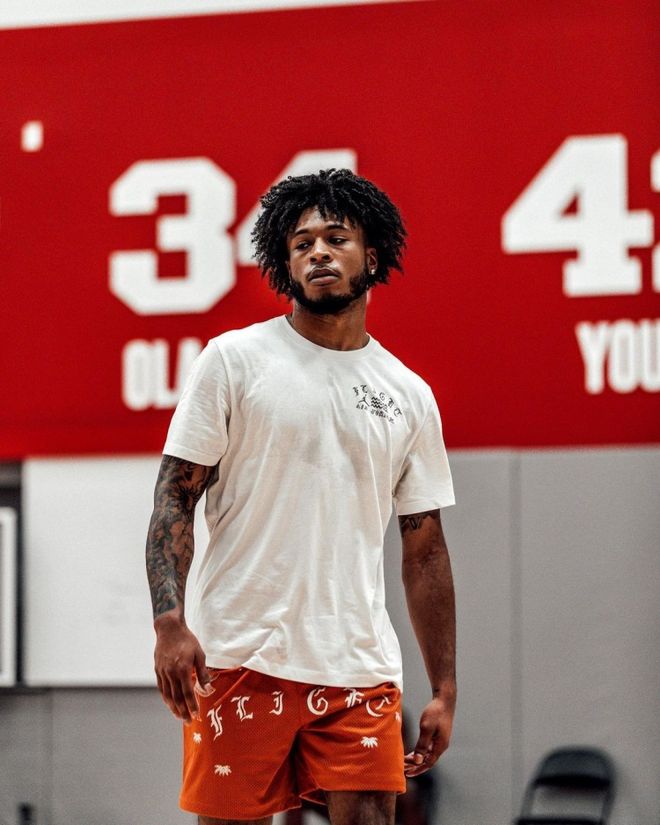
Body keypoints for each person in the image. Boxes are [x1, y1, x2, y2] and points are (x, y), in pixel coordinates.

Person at [146, 168, 457, 825]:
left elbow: (425, 548)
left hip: (360, 667)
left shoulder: (409, 394)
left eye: (336, 238)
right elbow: (174, 498)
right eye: (301, 243)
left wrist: (444, 686)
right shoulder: (233, 361)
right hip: (240, 657)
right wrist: (170, 623)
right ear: (283, 264)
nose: (318, 252)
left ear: (371, 257)